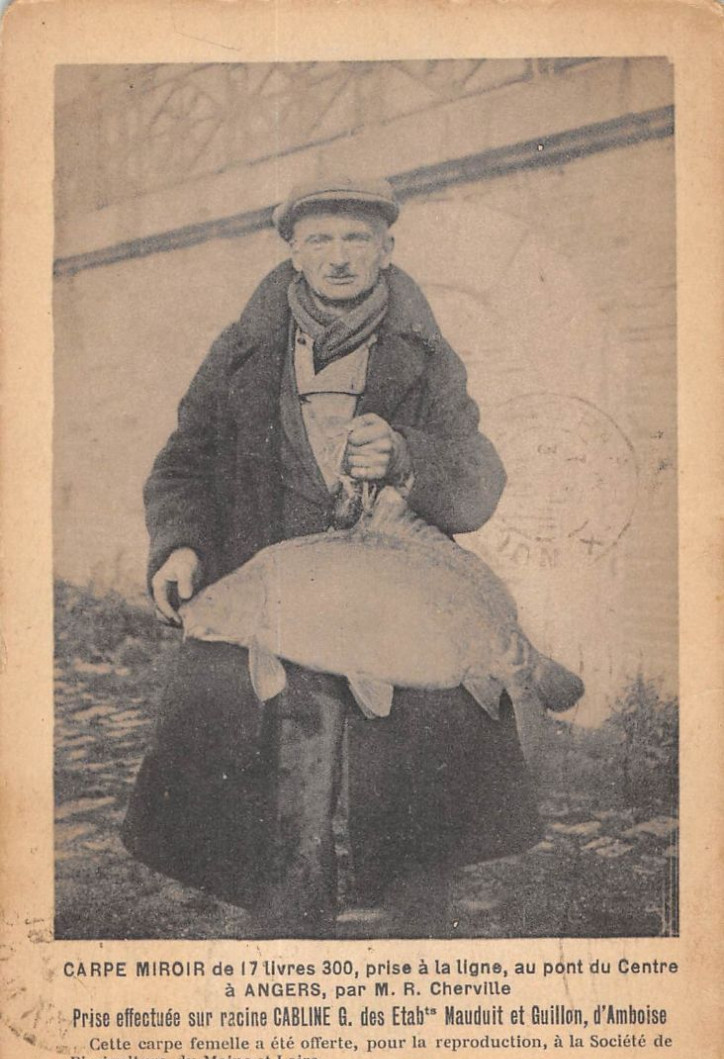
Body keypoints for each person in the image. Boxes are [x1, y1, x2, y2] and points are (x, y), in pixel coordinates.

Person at [121, 177, 543, 938]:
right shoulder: (243, 351)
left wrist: (410, 457)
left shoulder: (425, 352)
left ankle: (411, 980)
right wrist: (178, 544)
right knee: (279, 832)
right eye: (319, 239)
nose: (339, 257)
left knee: (415, 843)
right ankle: (292, 962)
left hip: (397, 623)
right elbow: (184, 463)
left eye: (356, 238)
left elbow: (479, 477)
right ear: (293, 250)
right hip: (280, 617)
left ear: (387, 249)